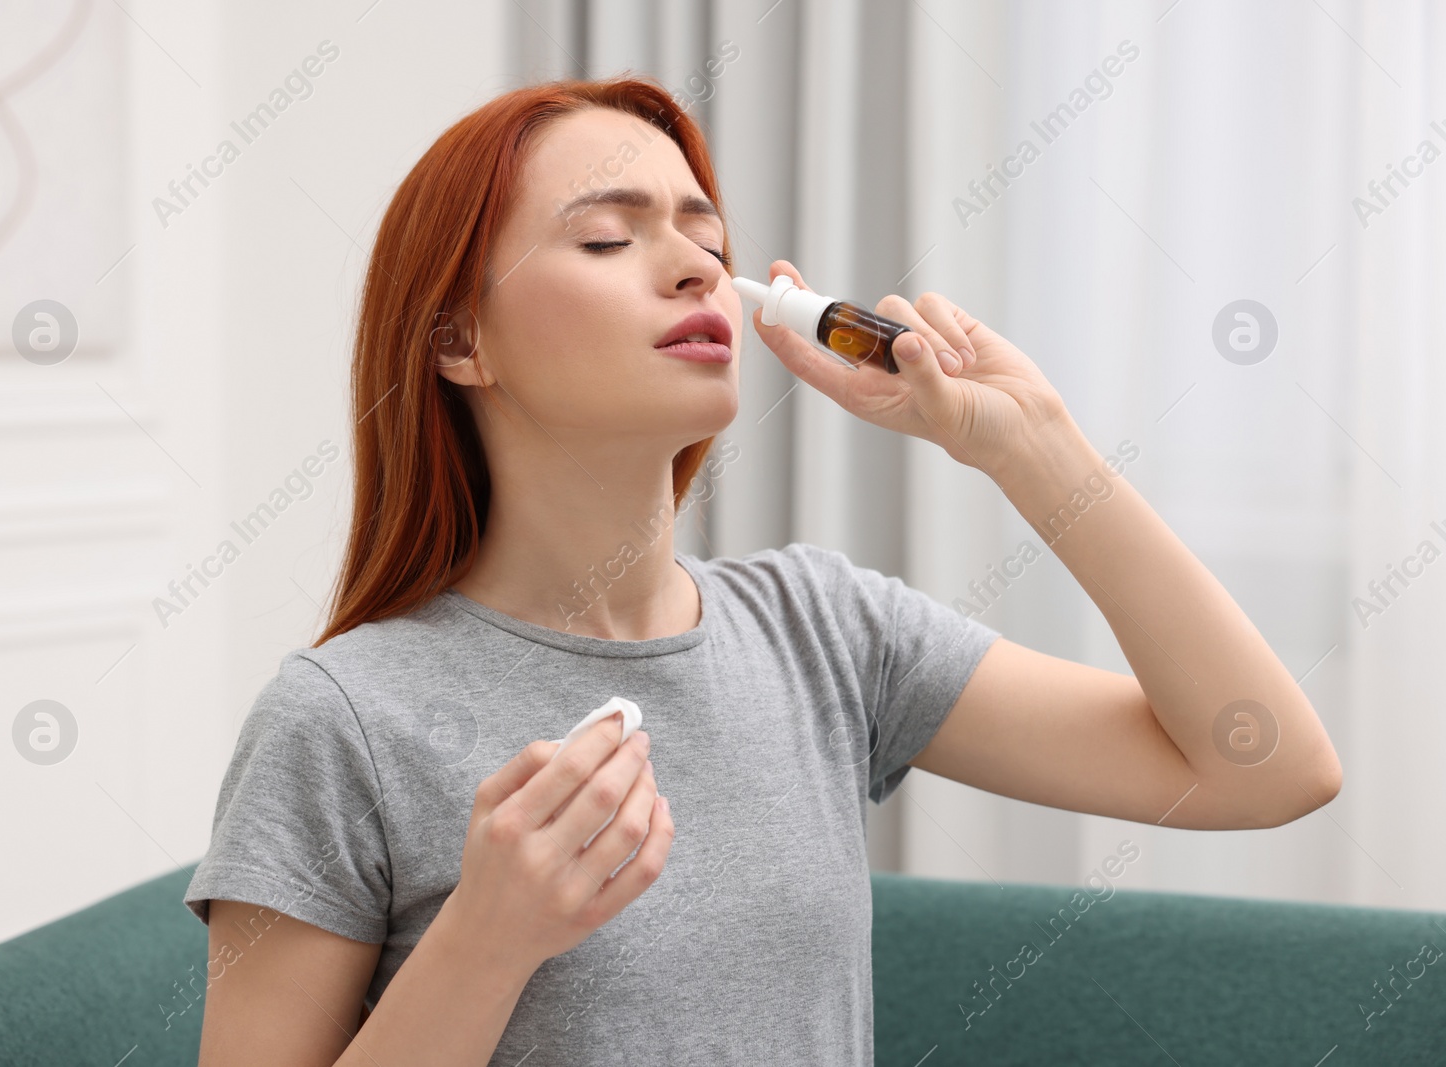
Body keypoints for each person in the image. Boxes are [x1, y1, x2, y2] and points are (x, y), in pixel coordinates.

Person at [183, 75, 1342, 1066]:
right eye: (606, 236)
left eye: (709, 240)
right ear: (456, 341)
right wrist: (487, 938)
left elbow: (1265, 768)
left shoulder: (824, 629)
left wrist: (1033, 449)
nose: (694, 267)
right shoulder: (341, 718)